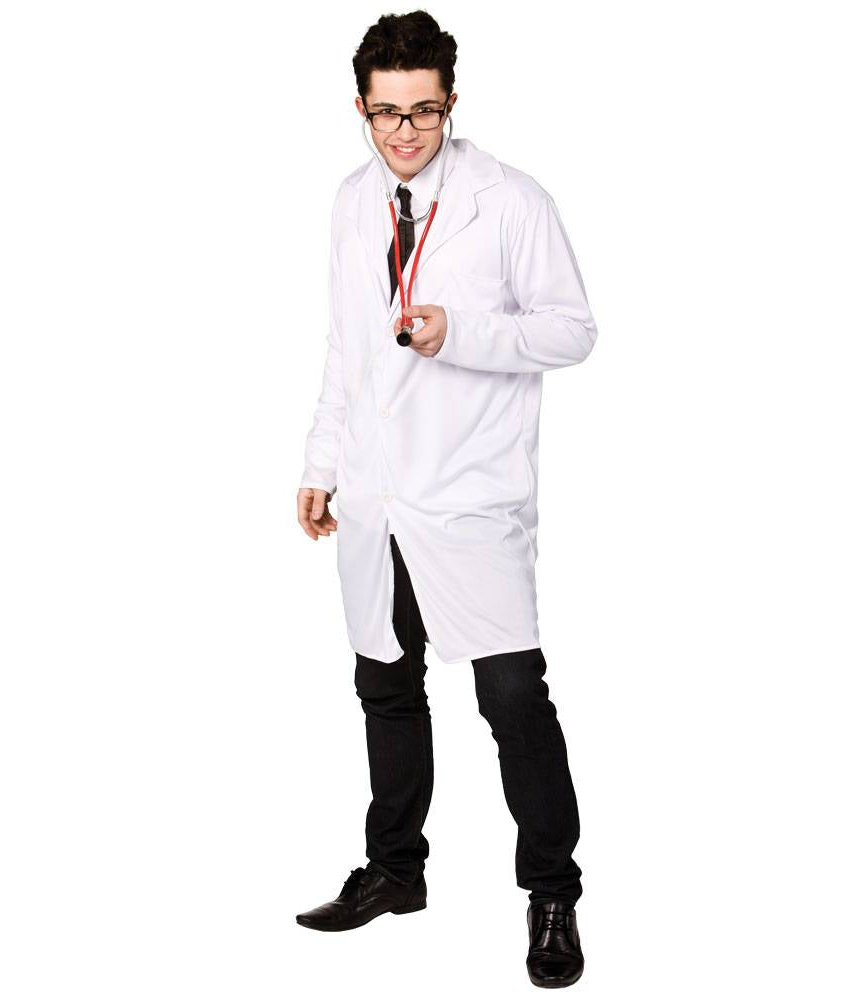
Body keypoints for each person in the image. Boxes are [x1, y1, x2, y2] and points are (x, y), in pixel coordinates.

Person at [294, 11, 596, 989]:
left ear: (451, 103)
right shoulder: (351, 201)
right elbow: (346, 346)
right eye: (385, 113)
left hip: (469, 491)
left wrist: (459, 331)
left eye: (423, 111)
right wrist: (322, 462)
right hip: (376, 492)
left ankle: (551, 892)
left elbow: (571, 329)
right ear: (361, 107)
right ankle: (395, 870)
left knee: (511, 696)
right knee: (385, 683)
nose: (404, 132)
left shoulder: (510, 200)